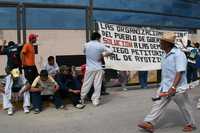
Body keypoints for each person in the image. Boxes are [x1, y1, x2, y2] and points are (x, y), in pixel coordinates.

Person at [138, 32, 196, 132]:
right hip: (165, 86)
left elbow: (180, 71)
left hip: (177, 87)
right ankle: (149, 123)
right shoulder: (164, 54)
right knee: (158, 103)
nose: (159, 44)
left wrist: (173, 87)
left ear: (167, 43)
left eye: (161, 42)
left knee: (184, 106)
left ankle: (191, 124)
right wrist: (164, 85)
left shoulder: (179, 54)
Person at [80, 32, 113, 106]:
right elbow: (111, 51)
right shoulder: (100, 45)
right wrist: (103, 55)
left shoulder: (86, 44)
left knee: (86, 83)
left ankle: (82, 98)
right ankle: (95, 100)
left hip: (89, 68)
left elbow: (84, 52)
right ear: (98, 38)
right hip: (98, 67)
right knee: (97, 85)